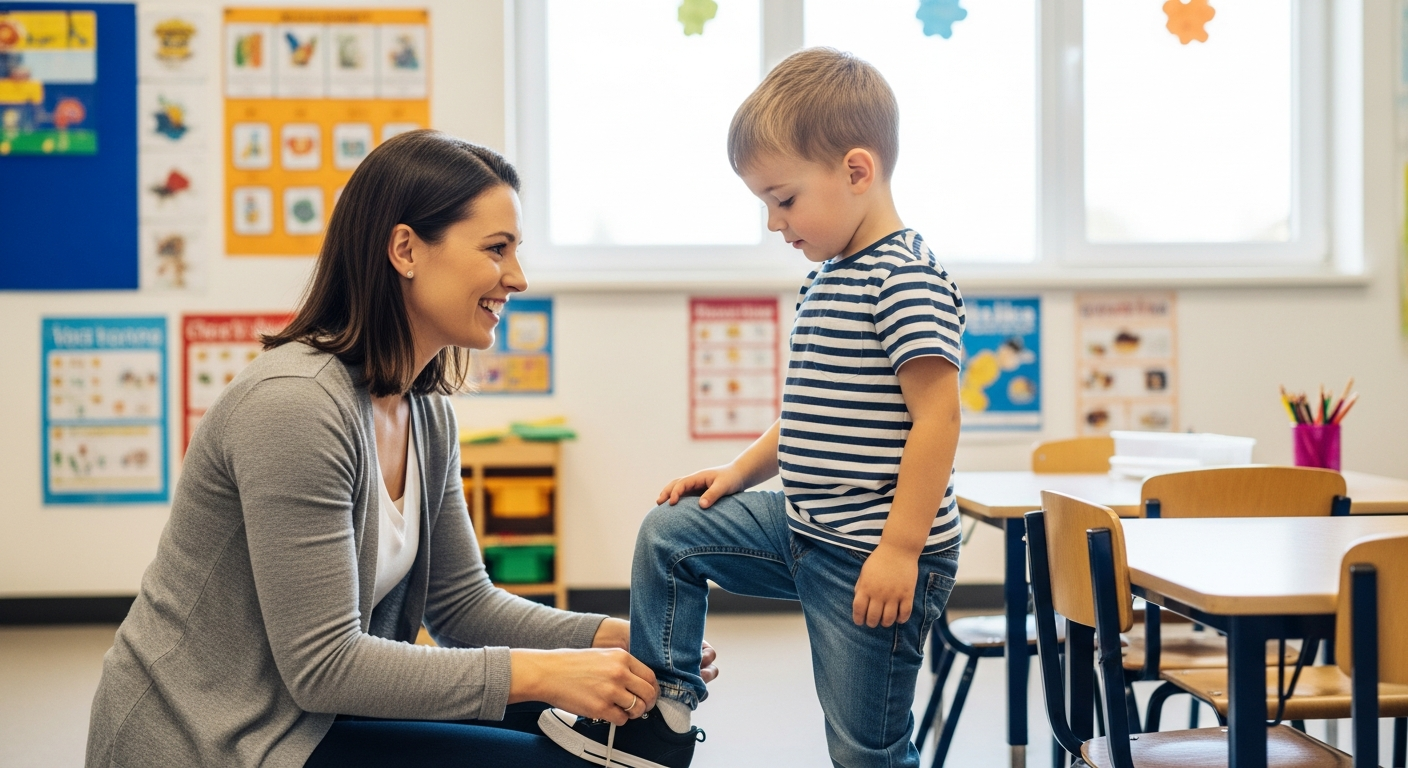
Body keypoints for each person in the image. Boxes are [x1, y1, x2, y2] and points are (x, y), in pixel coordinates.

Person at [85, 130, 716, 768]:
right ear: (406, 249)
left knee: (620, 733)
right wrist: (545, 673)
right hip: (217, 737)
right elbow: (324, 666)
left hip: (315, 714)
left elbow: (460, 604)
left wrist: (608, 640)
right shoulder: (295, 405)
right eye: (497, 249)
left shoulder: (425, 409)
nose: (517, 278)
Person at [540, 48, 966, 768]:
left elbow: (939, 420)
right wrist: (736, 473)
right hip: (801, 525)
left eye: (784, 199)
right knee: (670, 535)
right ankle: (666, 715)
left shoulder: (906, 279)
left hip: (871, 551)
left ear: (857, 172)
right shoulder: (830, 276)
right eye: (765, 203)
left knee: (866, 749)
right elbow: (808, 413)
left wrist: (899, 551)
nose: (775, 222)